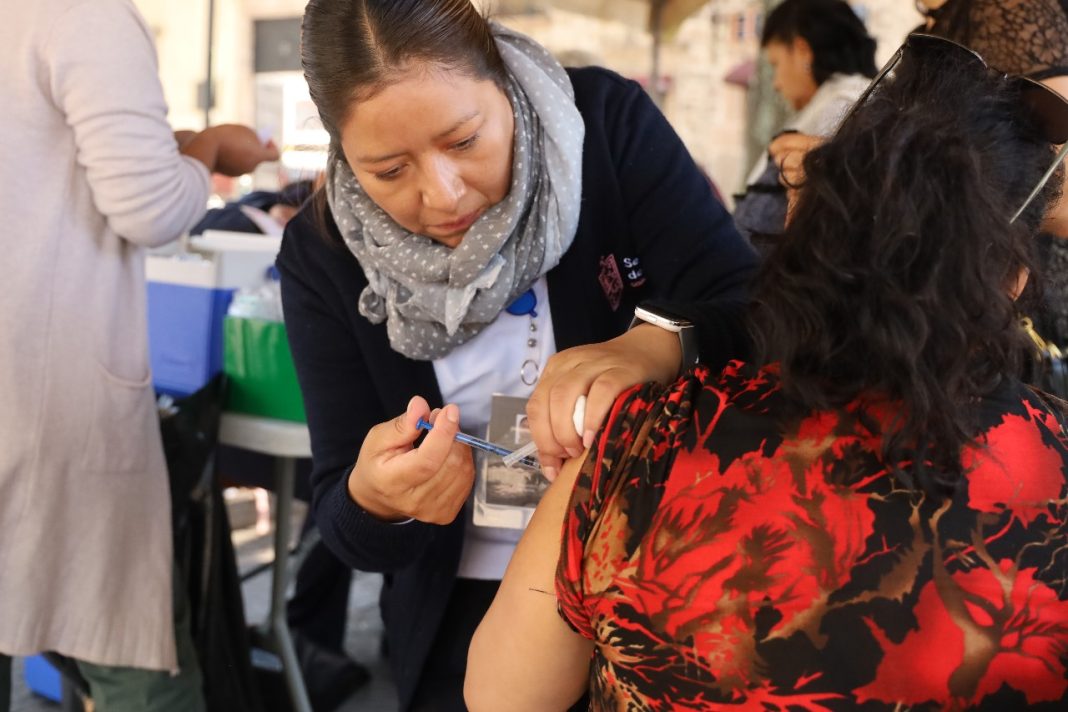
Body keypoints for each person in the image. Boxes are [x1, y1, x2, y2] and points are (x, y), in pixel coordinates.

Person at [467, 32, 1068, 710]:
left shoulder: (640, 450)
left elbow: (502, 697)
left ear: (802, 219)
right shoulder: (1057, 471)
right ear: (1013, 279)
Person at [276, 0, 757, 708]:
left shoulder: (603, 130)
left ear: (500, 77)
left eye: (465, 141)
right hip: (460, 628)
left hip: (660, 585)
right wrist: (378, 501)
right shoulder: (326, 256)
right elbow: (342, 518)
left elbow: (754, 307)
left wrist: (651, 344)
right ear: (340, 149)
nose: (441, 194)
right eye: (387, 170)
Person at [0, 1, 278, 710]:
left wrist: (171, 146)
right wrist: (212, 149)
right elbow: (151, 208)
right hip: (46, 395)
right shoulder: (82, 15)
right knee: (130, 659)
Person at [733, 0, 877, 245]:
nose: (777, 83)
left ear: (802, 51)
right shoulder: (857, 100)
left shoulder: (839, 108)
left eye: (776, 64)